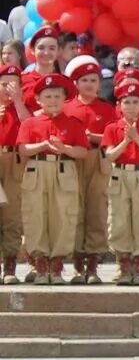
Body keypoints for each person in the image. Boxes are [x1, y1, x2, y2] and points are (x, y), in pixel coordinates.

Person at [18, 71, 89, 284]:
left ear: (65, 99)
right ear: (38, 99)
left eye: (57, 96)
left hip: (63, 170)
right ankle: (40, 264)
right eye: (47, 96)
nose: (52, 101)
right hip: (37, 169)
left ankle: (57, 266)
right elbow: (23, 150)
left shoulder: (73, 123)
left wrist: (64, 148)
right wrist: (43, 145)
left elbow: (82, 152)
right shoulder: (30, 123)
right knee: (36, 216)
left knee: (63, 216)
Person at [102, 72, 139, 285]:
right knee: (118, 219)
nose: (132, 106)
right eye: (126, 102)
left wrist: (137, 138)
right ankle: (123, 264)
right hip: (119, 174)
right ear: (119, 104)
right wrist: (126, 141)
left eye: (136, 102)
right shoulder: (112, 127)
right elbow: (109, 155)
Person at [64, 56, 116, 284]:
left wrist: (92, 137)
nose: (89, 84)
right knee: (74, 210)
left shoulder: (108, 109)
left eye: (93, 80)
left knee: (96, 209)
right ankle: (77, 265)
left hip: (98, 159)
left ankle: (93, 265)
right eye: (84, 79)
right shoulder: (66, 108)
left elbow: (116, 136)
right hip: (73, 160)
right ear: (75, 83)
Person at [0, 64, 26, 282]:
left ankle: (10, 265)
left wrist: (18, 101)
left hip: (14, 160)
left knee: (12, 214)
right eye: (3, 83)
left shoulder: (22, 108)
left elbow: (32, 127)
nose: (7, 88)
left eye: (13, 83)